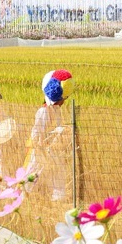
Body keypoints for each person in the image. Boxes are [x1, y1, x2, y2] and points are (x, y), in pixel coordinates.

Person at [29, 69, 74, 201]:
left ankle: (58, 197)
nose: (63, 101)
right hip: (40, 148)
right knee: (34, 171)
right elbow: (38, 134)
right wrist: (44, 145)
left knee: (58, 170)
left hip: (52, 147)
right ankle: (24, 193)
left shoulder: (56, 111)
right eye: (62, 98)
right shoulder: (43, 112)